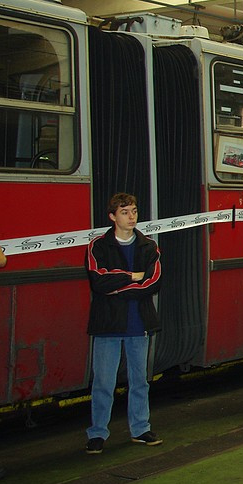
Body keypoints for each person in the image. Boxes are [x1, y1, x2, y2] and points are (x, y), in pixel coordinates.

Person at [84, 193, 163, 454]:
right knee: (103, 383)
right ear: (112, 216)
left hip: (138, 323)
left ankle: (140, 428)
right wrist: (132, 277)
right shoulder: (97, 246)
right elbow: (98, 281)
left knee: (140, 381)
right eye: (125, 212)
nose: (131, 217)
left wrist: (118, 285)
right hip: (108, 325)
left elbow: (153, 282)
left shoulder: (148, 246)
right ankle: (97, 433)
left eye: (134, 211)